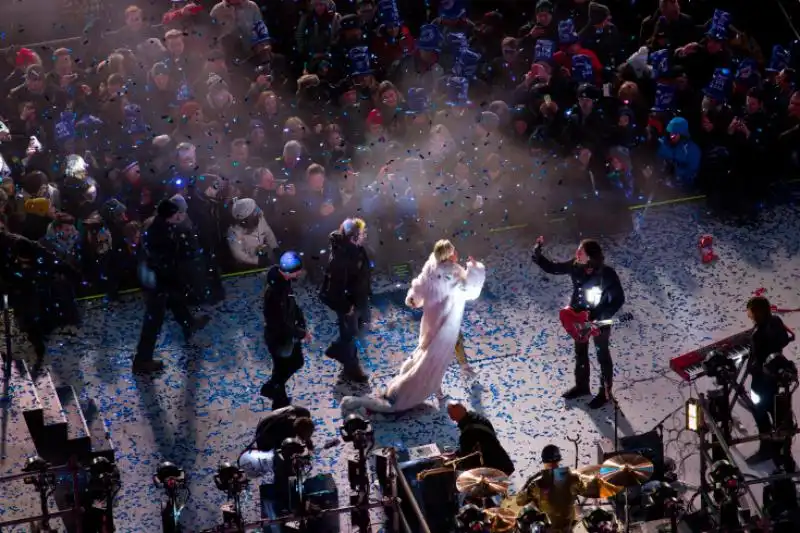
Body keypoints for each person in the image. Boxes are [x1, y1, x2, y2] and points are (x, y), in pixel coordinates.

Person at [340, 239, 485, 413]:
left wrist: (413, 299)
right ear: (449, 255)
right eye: (453, 250)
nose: (456, 252)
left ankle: (436, 391)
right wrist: (475, 269)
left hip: (431, 323)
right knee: (433, 361)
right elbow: (471, 291)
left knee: (426, 356)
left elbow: (418, 289)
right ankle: (409, 391)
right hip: (444, 326)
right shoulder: (453, 274)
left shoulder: (431, 268)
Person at [532, 237, 625, 408]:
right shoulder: (575, 266)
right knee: (580, 352)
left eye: (580, 251)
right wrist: (538, 254)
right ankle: (582, 386)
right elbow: (554, 268)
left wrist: (601, 316)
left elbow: (618, 299)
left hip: (598, 322)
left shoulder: (607, 274)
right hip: (578, 319)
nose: (577, 253)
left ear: (589, 256)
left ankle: (605, 393)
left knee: (602, 355)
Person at [133, 199, 211, 374]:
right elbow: (161, 260)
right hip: (157, 281)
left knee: (176, 301)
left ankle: (189, 323)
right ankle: (142, 359)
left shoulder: (161, 227)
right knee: (153, 320)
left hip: (161, 278)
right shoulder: (159, 232)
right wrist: (175, 274)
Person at [320, 218, 372, 383]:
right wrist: (346, 307)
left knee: (358, 327)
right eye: (362, 233)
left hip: (359, 297)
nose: (365, 236)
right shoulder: (340, 259)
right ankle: (352, 369)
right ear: (353, 237)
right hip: (348, 302)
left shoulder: (357, 249)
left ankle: (336, 349)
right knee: (350, 334)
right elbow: (334, 290)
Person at [745, 296, 795, 466]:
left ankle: (768, 449)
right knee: (780, 415)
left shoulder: (760, 332)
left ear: (757, 311)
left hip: (762, 381)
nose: (749, 315)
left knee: (761, 414)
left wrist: (752, 366)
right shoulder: (775, 321)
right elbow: (782, 340)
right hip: (777, 377)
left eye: (751, 311)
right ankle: (782, 452)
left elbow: (758, 357)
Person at [260, 251, 310, 409]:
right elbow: (281, 322)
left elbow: (292, 307)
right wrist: (301, 333)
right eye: (298, 271)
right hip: (279, 338)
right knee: (289, 364)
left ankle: (275, 392)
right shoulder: (276, 292)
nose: (300, 273)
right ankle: (275, 394)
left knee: (283, 367)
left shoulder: (282, 283)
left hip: (282, 335)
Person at [515, 445, 586, 533]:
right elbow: (587, 490)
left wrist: (526, 485)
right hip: (569, 530)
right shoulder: (573, 479)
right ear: (559, 460)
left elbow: (519, 501)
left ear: (543, 460)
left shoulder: (536, 484)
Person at [446, 401, 514, 475]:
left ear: (452, 417)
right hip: (503, 461)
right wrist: (456, 453)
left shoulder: (467, 433)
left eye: (450, 414)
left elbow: (466, 457)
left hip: (495, 469)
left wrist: (451, 464)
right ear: (464, 408)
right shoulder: (479, 418)